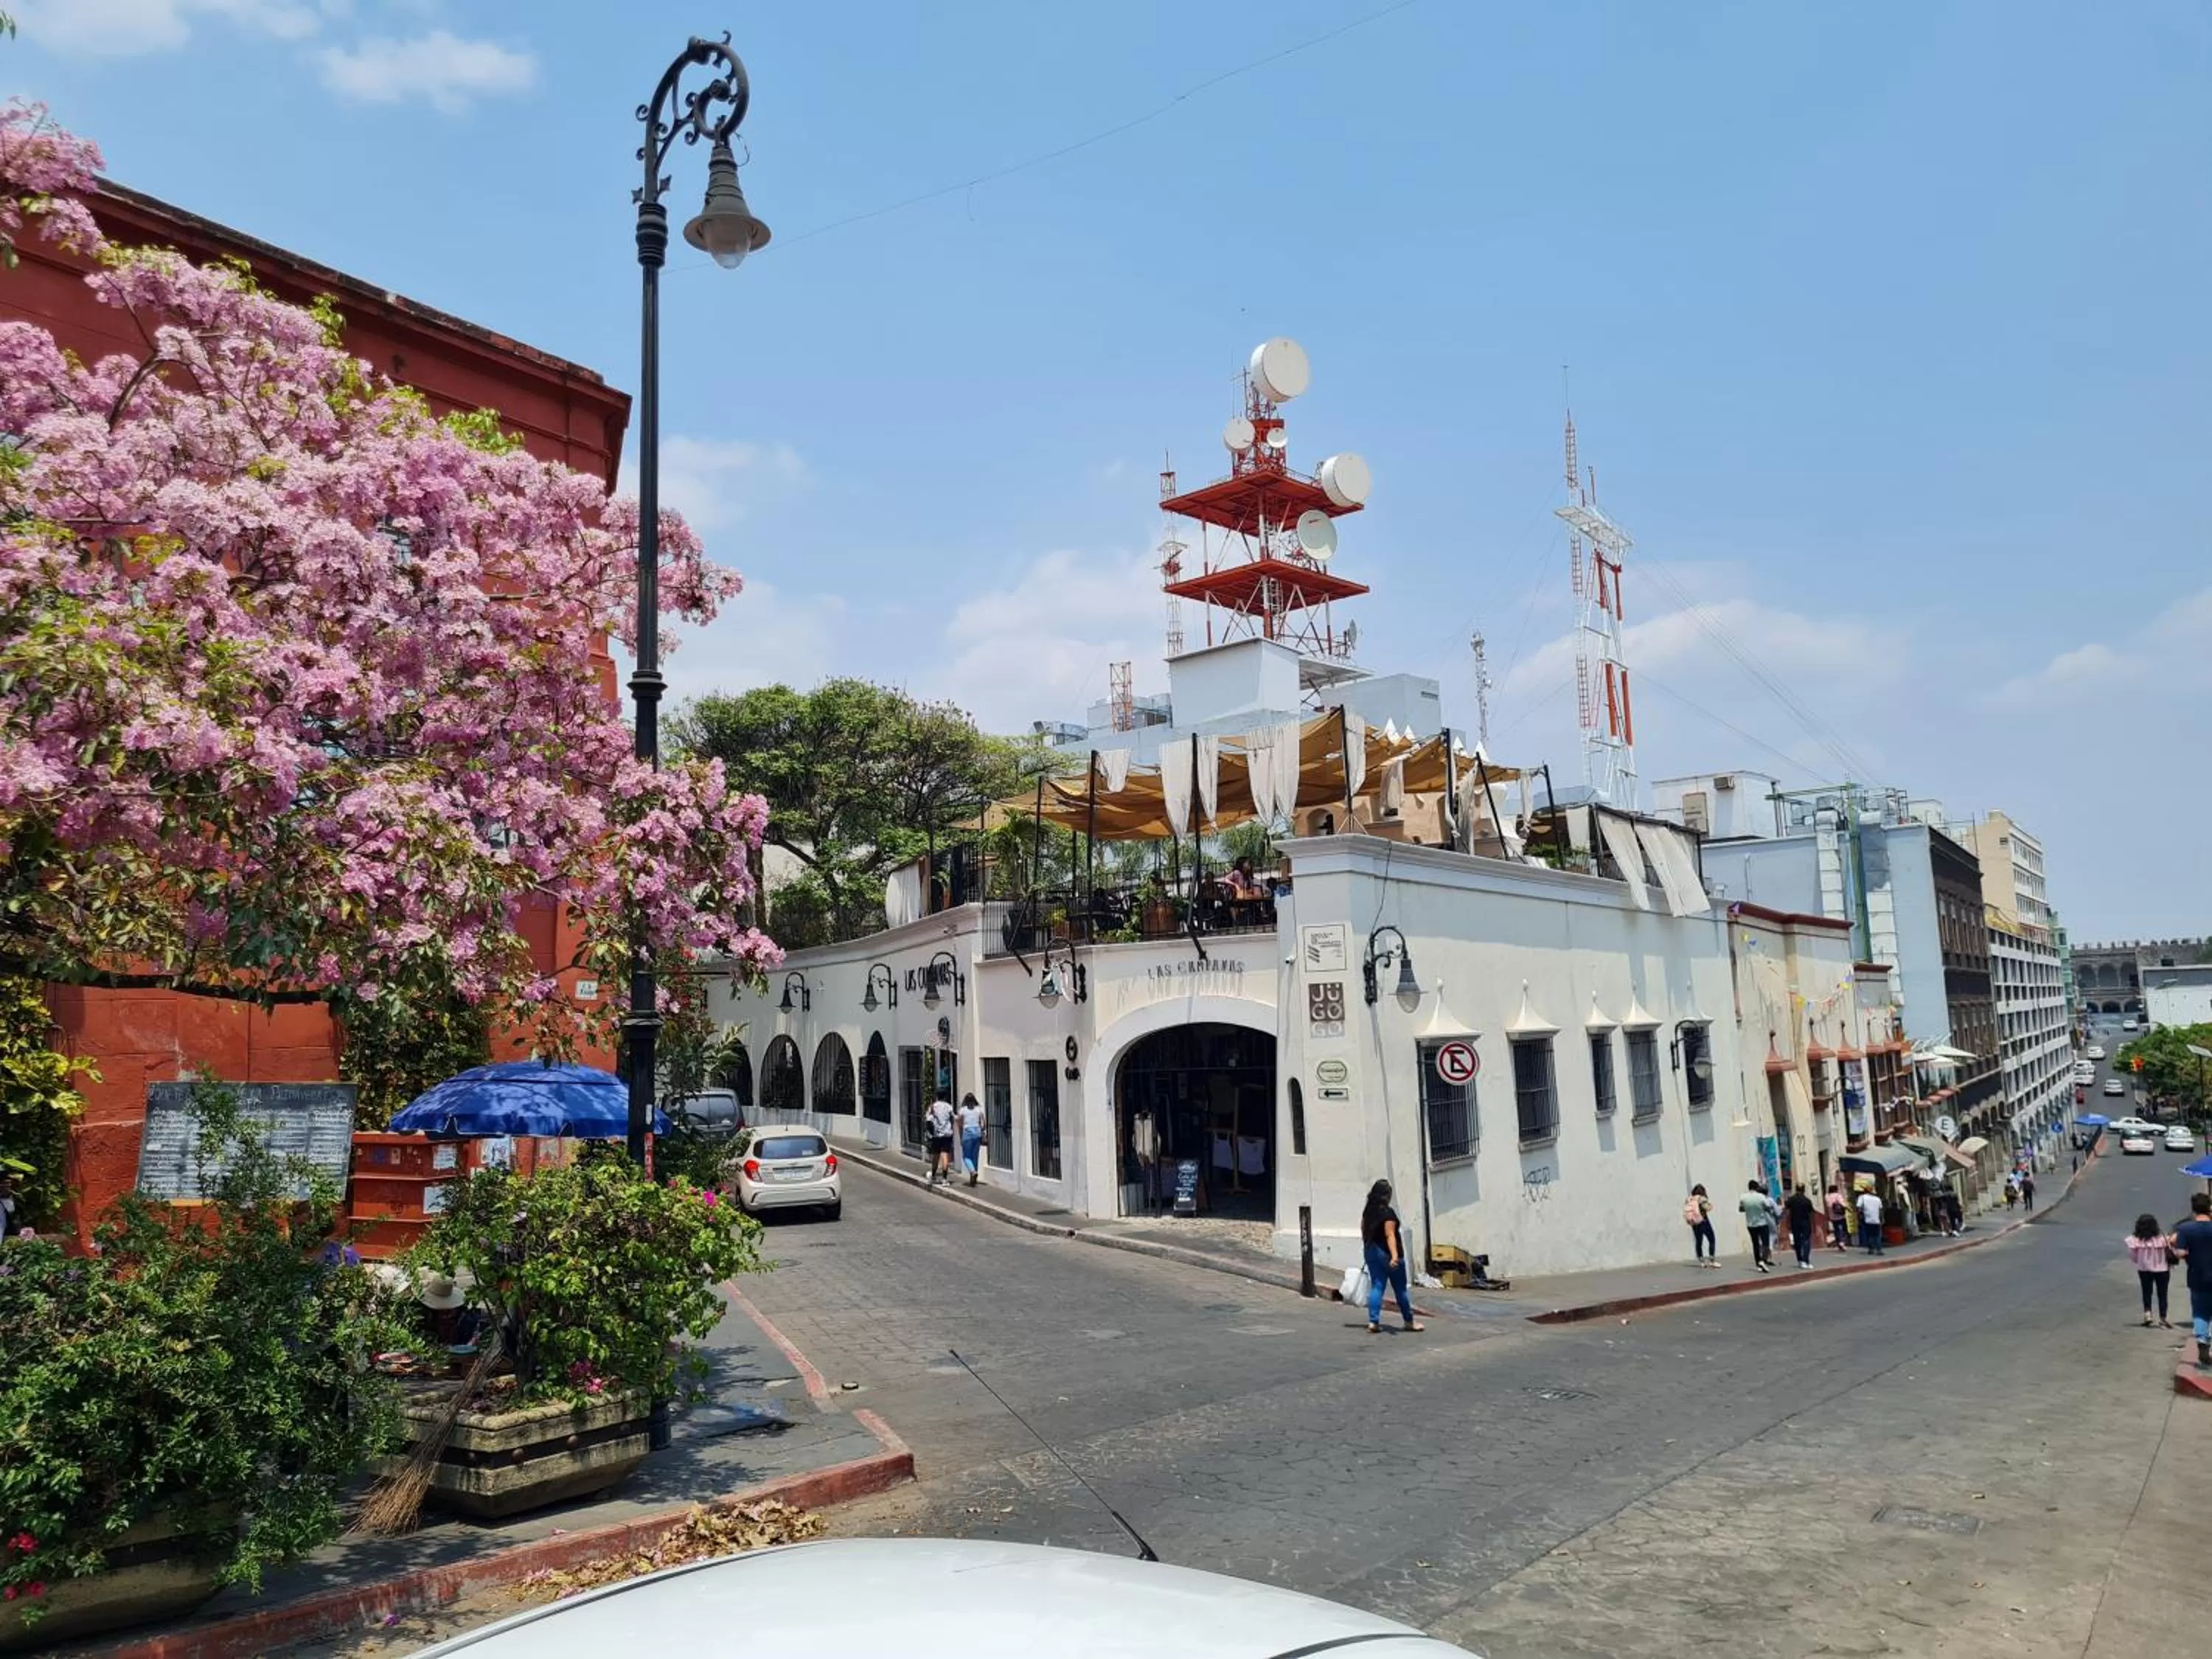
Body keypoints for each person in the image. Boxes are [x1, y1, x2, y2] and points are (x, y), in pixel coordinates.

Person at [1359, 1179, 1425, 1335]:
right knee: (1400, 1289)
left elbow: (1363, 1230)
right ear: (1387, 1195)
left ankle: (1373, 1321)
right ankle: (1409, 1321)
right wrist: (1394, 1256)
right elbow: (1390, 1236)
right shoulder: (1388, 1213)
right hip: (1386, 1253)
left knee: (1377, 1286)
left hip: (1371, 1251)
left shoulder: (1368, 1212)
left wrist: (1368, 1247)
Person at [2168, 1193, 2212, 1371]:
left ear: (2194, 1209)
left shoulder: (2186, 1229)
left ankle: (2202, 1340)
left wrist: (2175, 1247)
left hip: (2197, 1276)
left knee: (2201, 1312)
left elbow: (2179, 1252)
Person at [2126, 1213, 2174, 1329]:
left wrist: (2140, 1260)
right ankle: (2163, 1319)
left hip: (2144, 1269)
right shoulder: (2162, 1238)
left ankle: (2148, 1314)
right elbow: (2171, 1248)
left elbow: (2133, 1256)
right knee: (2163, 1294)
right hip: (2162, 1269)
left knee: (2146, 1292)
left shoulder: (2135, 1240)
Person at [1739, 1180, 1778, 1274]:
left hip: (1750, 1224)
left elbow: (1741, 1209)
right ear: (1756, 1188)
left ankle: (1758, 1263)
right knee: (1766, 1244)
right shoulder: (1761, 1197)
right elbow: (1767, 1207)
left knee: (1755, 1244)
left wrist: (1749, 1209)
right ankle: (1763, 1261)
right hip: (1762, 1223)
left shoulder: (1743, 1197)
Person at [923, 1093, 956, 1186]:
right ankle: (945, 1179)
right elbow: (953, 1117)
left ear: (937, 1097)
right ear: (945, 1097)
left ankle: (933, 1176)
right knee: (945, 1155)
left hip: (936, 1135)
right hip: (947, 1134)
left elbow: (928, 1118)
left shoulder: (933, 1107)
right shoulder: (949, 1106)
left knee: (936, 1156)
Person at [1683, 1183, 1718, 1267]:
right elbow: (1707, 1208)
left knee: (1699, 1241)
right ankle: (1712, 1261)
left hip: (1694, 1223)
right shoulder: (1701, 1199)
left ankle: (1702, 1262)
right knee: (1712, 1239)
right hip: (1703, 1221)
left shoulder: (1689, 1199)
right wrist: (1710, 1206)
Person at [1784, 1183, 1818, 1269]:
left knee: (1797, 1242)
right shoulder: (1807, 1201)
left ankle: (1800, 1261)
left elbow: (1787, 1212)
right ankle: (1806, 1260)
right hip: (1805, 1223)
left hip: (1795, 1223)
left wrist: (1787, 1223)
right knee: (1806, 1241)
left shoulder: (1791, 1200)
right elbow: (1811, 1214)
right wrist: (1814, 1226)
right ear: (1804, 1190)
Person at [956, 1092, 986, 1187]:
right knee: (975, 1156)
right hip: (977, 1134)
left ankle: (972, 1172)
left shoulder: (962, 1111)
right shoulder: (979, 1109)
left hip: (967, 1134)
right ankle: (974, 1177)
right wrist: (982, 1131)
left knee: (966, 1157)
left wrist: (961, 1137)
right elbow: (984, 1123)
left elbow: (959, 1125)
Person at [1856, 1184, 1886, 1255]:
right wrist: (1882, 1218)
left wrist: (1858, 1217)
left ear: (1864, 1191)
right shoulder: (1877, 1199)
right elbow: (1881, 1210)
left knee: (1870, 1235)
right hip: (1876, 1220)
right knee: (1877, 1235)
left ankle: (1871, 1249)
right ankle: (1879, 1250)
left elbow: (1859, 1208)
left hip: (1867, 1219)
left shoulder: (1862, 1197)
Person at [1826, 1183, 1851, 1252]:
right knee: (1842, 1229)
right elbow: (1842, 1203)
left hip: (1832, 1215)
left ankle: (1838, 1242)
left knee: (1836, 1229)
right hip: (1840, 1215)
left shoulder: (1827, 1196)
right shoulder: (1837, 1195)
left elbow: (1828, 1205)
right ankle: (1842, 1242)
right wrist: (1849, 1209)